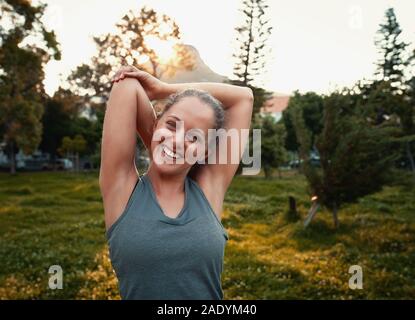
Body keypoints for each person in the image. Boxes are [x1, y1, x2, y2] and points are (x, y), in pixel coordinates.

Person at [99, 66, 254, 299]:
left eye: (194, 138)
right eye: (172, 125)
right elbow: (127, 84)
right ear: (155, 125)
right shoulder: (121, 189)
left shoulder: (209, 188)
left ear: (204, 152)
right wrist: (159, 139)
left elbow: (244, 97)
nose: (179, 141)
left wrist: (165, 89)